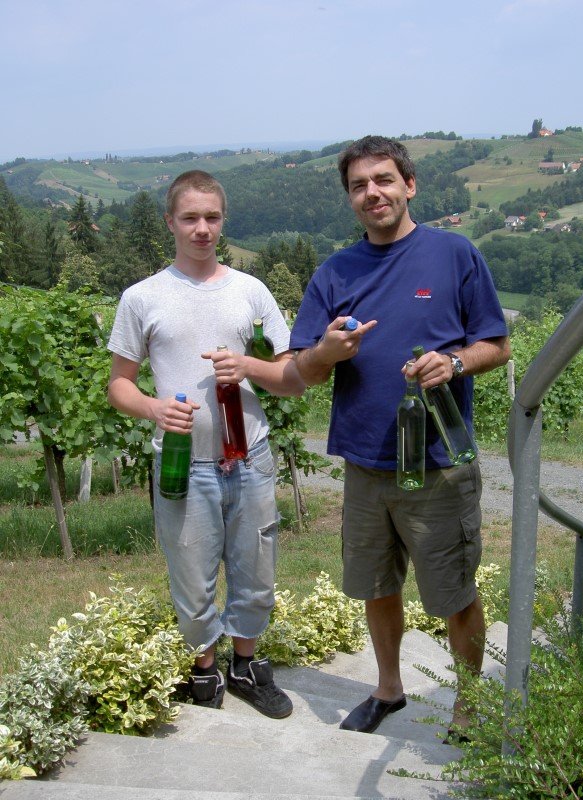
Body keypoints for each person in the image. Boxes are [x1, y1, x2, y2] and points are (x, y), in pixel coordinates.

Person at [290, 135, 510, 739]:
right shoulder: (335, 271)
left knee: (454, 593)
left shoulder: (454, 255)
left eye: (383, 179)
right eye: (359, 185)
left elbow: (496, 344)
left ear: (409, 185)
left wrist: (455, 363)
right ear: (350, 198)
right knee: (376, 586)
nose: (372, 193)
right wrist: (326, 352)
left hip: (439, 464)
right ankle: (388, 688)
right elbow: (303, 369)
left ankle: (468, 704)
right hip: (366, 464)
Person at [107, 170, 304, 718]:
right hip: (183, 463)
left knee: (256, 570)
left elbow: (290, 376)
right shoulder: (142, 297)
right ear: (170, 222)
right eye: (190, 217)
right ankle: (204, 669)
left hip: (251, 458)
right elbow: (118, 384)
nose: (202, 228)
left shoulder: (251, 292)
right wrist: (153, 407)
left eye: (211, 217)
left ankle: (246, 666)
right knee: (192, 576)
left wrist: (248, 367)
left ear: (223, 221)